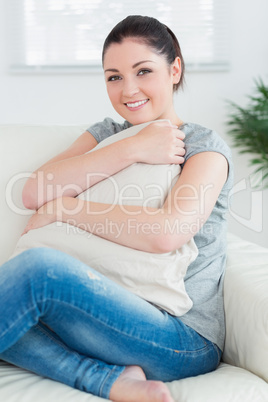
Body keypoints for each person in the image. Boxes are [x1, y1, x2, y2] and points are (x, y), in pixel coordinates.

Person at [0, 15, 232, 402]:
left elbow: (166, 233)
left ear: (175, 69)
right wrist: (133, 147)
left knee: (36, 270)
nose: (129, 90)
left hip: (179, 338)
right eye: (114, 77)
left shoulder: (203, 146)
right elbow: (32, 192)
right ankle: (108, 381)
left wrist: (65, 209)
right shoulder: (106, 134)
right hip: (97, 316)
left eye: (144, 71)